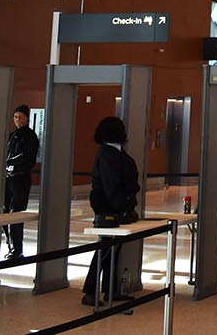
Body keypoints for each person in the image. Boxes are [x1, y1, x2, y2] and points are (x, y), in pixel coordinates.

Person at [82, 116, 140, 308]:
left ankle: (110, 289)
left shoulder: (115, 151)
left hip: (115, 203)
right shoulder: (107, 153)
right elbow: (111, 185)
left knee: (114, 248)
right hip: (108, 205)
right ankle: (90, 291)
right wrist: (124, 207)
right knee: (105, 249)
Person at [3, 104, 39, 259]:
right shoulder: (12, 136)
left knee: (16, 213)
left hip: (21, 178)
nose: (17, 120)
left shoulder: (30, 136)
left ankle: (17, 249)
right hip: (8, 177)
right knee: (4, 212)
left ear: (27, 119)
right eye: (15, 117)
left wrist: (9, 161)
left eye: (20, 117)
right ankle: (10, 245)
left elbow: (27, 157)